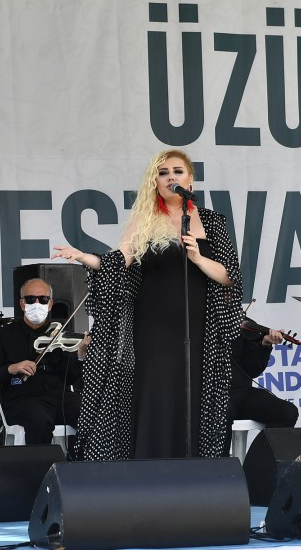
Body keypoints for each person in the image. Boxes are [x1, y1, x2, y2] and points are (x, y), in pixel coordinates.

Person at [53, 148, 242, 460]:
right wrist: (85, 257)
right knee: (156, 390)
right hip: (153, 325)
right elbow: (119, 262)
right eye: (163, 173)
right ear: (155, 182)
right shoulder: (145, 220)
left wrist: (197, 258)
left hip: (200, 327)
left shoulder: (212, 221)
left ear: (190, 180)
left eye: (177, 172)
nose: (170, 178)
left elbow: (229, 276)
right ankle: (150, 468)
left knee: (194, 393)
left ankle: (194, 472)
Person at [0, 278, 84, 446]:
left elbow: (72, 377)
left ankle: (83, 461)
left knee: (89, 414)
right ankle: (41, 464)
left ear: (50, 304)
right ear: (22, 304)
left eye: (43, 299)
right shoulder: (4, 336)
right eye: (30, 299)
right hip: (22, 400)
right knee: (39, 421)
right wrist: (11, 368)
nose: (37, 304)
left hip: (59, 397)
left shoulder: (60, 335)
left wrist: (81, 355)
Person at [223, 326, 299, 454]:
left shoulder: (246, 326)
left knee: (287, 411)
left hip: (242, 392)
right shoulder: (196, 325)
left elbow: (252, 370)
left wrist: (264, 345)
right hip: (210, 394)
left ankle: (258, 463)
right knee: (222, 412)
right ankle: (220, 465)